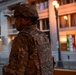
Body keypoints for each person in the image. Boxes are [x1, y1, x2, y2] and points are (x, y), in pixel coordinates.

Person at [3, 4, 53, 75]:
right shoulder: (43, 35)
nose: (15, 22)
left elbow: (16, 71)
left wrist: (5, 70)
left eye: (17, 18)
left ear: (27, 19)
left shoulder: (23, 37)